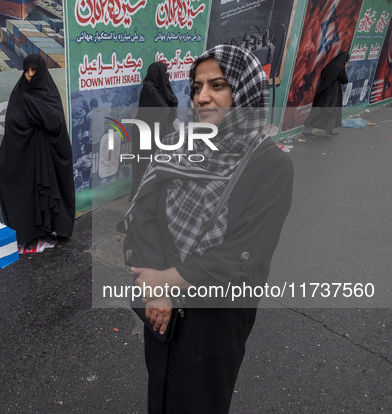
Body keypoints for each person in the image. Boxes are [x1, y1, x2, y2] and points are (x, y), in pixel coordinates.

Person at [122, 45, 293, 413]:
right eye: (197, 86)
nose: (202, 97)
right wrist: (158, 292)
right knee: (162, 387)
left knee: (199, 396)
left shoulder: (270, 165)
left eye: (218, 85)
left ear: (244, 92)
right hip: (161, 304)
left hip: (214, 316)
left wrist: (167, 280)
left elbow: (244, 254)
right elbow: (146, 212)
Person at [0, 54, 75, 247]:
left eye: (34, 70)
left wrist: (31, 106)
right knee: (29, 193)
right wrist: (33, 112)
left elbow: (56, 122)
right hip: (27, 154)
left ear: (41, 71)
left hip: (48, 154)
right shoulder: (19, 93)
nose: (30, 75)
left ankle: (49, 230)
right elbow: (13, 122)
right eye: (27, 70)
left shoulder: (49, 93)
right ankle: (29, 234)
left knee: (47, 193)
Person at [131, 62, 178, 197]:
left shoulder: (161, 88)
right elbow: (165, 109)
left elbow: (172, 104)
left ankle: (152, 194)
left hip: (158, 131)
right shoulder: (149, 88)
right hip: (145, 132)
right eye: (164, 73)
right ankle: (141, 195)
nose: (167, 76)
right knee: (144, 165)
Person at [302, 51, 350, 136]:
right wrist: (345, 68)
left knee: (317, 112)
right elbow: (344, 80)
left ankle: (307, 130)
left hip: (323, 92)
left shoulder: (330, 65)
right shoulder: (340, 67)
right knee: (332, 113)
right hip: (333, 94)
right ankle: (329, 131)